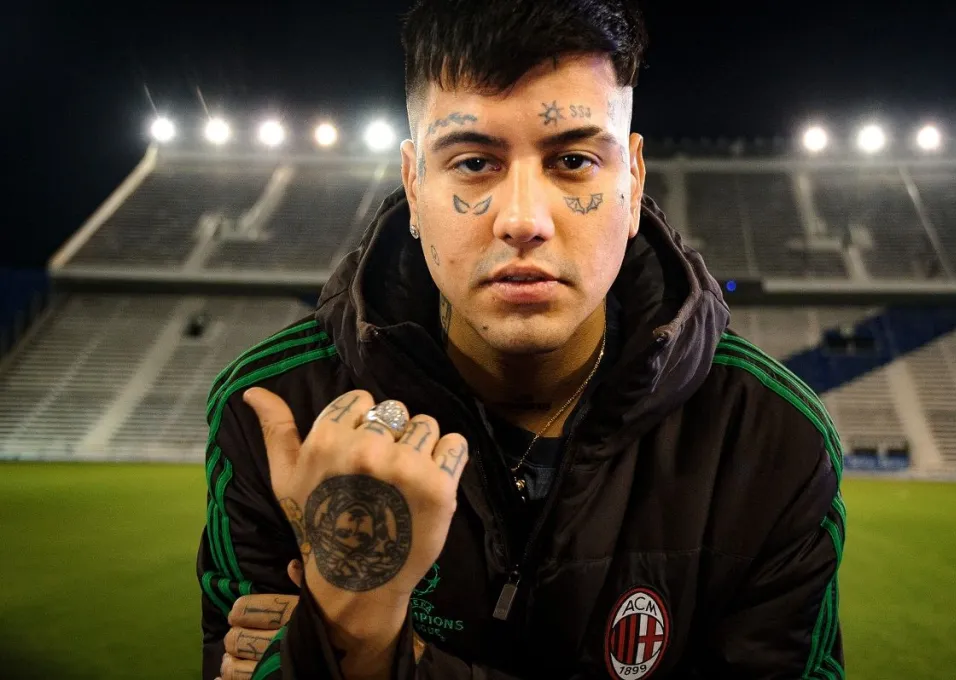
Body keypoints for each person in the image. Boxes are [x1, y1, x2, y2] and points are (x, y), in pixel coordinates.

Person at [198, 1, 846, 678]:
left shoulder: (772, 436)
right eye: (475, 162)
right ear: (414, 187)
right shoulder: (275, 410)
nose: (523, 220)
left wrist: (366, 649)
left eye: (573, 160)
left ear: (633, 181)